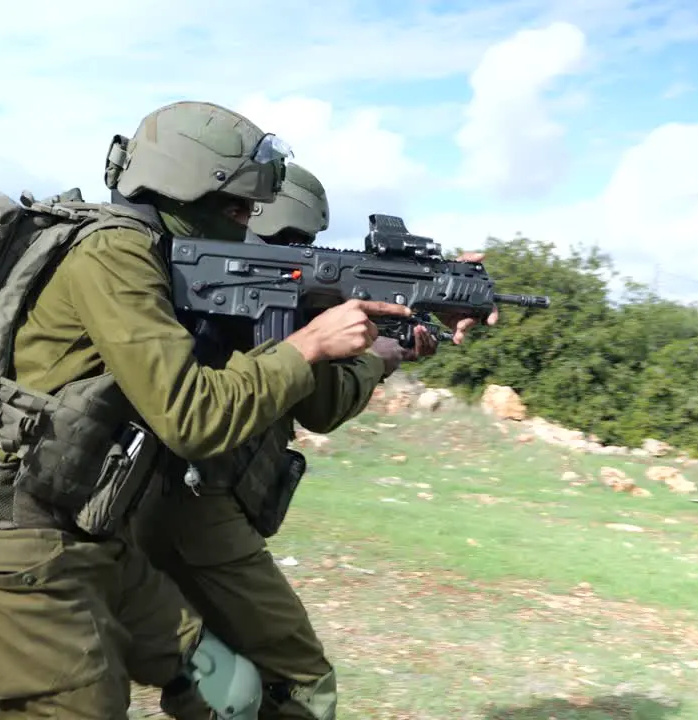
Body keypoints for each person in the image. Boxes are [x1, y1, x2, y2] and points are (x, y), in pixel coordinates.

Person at [0, 102, 422, 719]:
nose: (248, 226)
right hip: (21, 557)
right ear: (191, 187)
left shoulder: (156, 259)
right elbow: (191, 416)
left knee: (232, 692)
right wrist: (309, 345)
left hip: (95, 542)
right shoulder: (113, 255)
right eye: (239, 209)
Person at [129, 161, 494, 719]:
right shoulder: (255, 294)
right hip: (197, 509)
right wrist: (379, 358)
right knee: (301, 681)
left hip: (154, 497)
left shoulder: (189, 277)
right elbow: (322, 407)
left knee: (215, 681)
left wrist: (417, 299)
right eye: (299, 242)